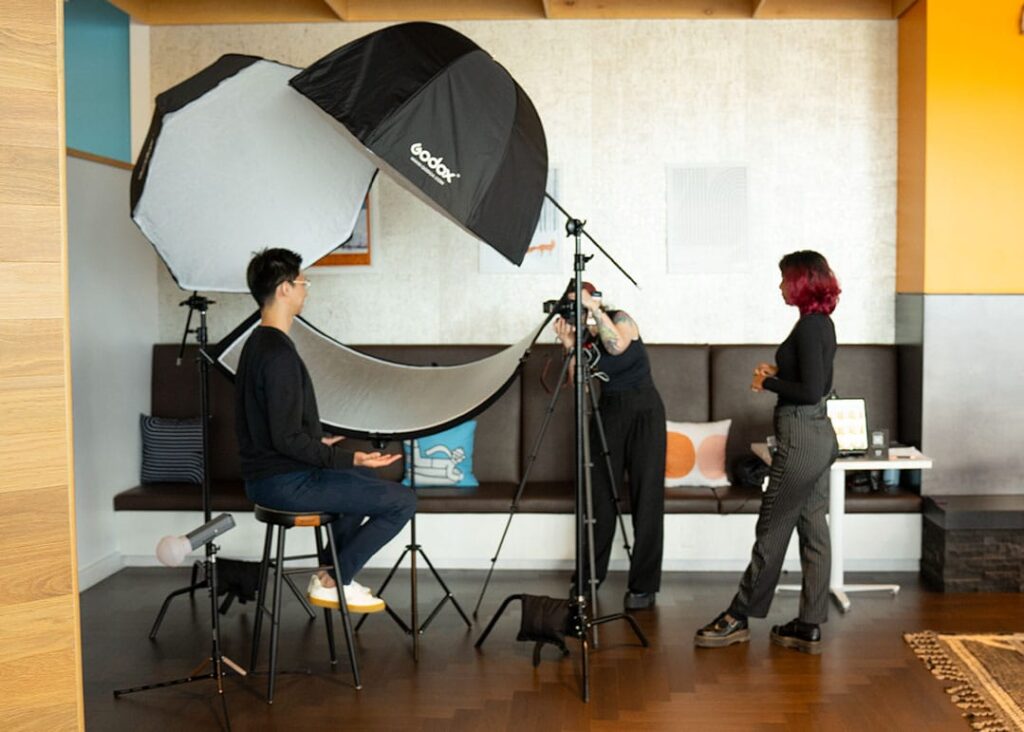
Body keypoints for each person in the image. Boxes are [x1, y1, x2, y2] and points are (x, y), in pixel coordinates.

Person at [235, 248, 416, 613]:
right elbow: (286, 439)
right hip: (284, 484)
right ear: (285, 288)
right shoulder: (278, 355)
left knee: (357, 481)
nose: (306, 290)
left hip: (270, 477)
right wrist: (352, 457)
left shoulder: (256, 344)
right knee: (403, 501)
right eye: (303, 282)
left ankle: (330, 575)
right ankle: (336, 579)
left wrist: (319, 441)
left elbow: (273, 425)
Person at [695, 250, 840, 654]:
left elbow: (810, 390)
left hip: (801, 436)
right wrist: (780, 373)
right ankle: (808, 625)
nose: (780, 286)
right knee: (813, 529)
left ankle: (737, 617)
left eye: (784, 279)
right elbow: (815, 382)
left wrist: (768, 384)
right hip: (817, 435)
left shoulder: (809, 327)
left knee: (772, 529)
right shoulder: (820, 324)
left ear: (800, 283)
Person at [553, 281, 666, 611]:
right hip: (609, 412)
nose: (576, 311)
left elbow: (617, 346)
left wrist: (593, 309)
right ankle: (588, 579)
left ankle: (643, 586)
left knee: (647, 498)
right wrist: (570, 346)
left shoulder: (620, 319)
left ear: (593, 300)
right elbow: (578, 385)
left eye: (580, 303)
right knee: (598, 499)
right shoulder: (584, 341)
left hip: (645, 411)